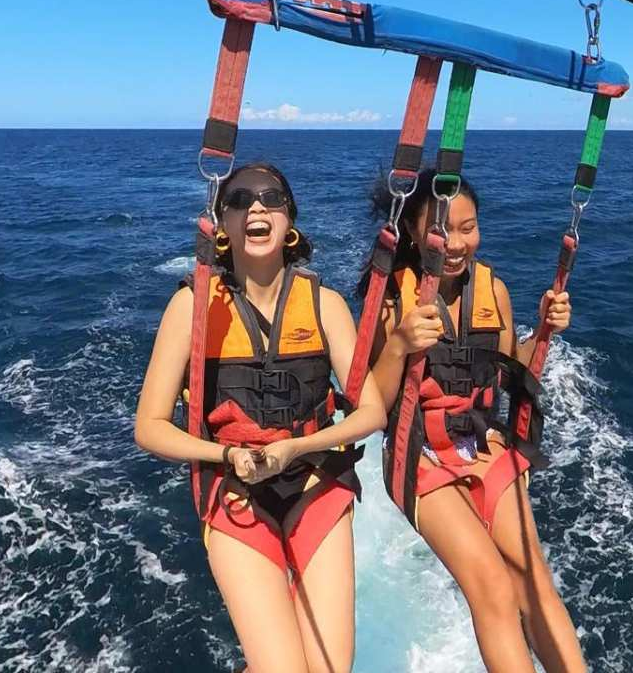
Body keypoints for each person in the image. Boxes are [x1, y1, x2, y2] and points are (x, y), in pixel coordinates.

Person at [135, 163, 386, 673]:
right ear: (222, 226)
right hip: (235, 493)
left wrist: (296, 448)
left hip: (317, 482)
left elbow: (373, 410)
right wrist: (226, 454)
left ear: (289, 218)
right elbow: (150, 426)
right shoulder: (192, 307)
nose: (256, 207)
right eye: (240, 200)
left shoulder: (326, 305)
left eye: (271, 198)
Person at [364, 170, 587, 673]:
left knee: (532, 579)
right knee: (489, 583)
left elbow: (513, 372)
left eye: (471, 227)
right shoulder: (392, 299)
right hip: (416, 454)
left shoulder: (495, 291)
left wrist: (544, 331)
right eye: (446, 230)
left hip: (481, 443)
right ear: (416, 233)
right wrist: (399, 344)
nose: (459, 242)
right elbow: (370, 407)